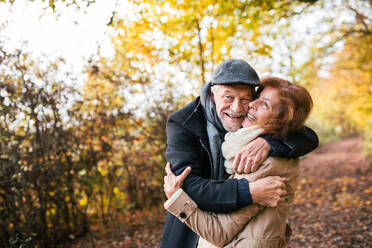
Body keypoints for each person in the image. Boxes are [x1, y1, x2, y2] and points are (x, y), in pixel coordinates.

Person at [160, 59, 318, 248]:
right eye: (228, 97)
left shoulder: (253, 128)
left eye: (245, 99)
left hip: (234, 234)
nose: (236, 108)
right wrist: (248, 192)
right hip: (190, 233)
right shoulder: (182, 122)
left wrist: (268, 142)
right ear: (212, 94)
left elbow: (307, 135)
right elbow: (189, 186)